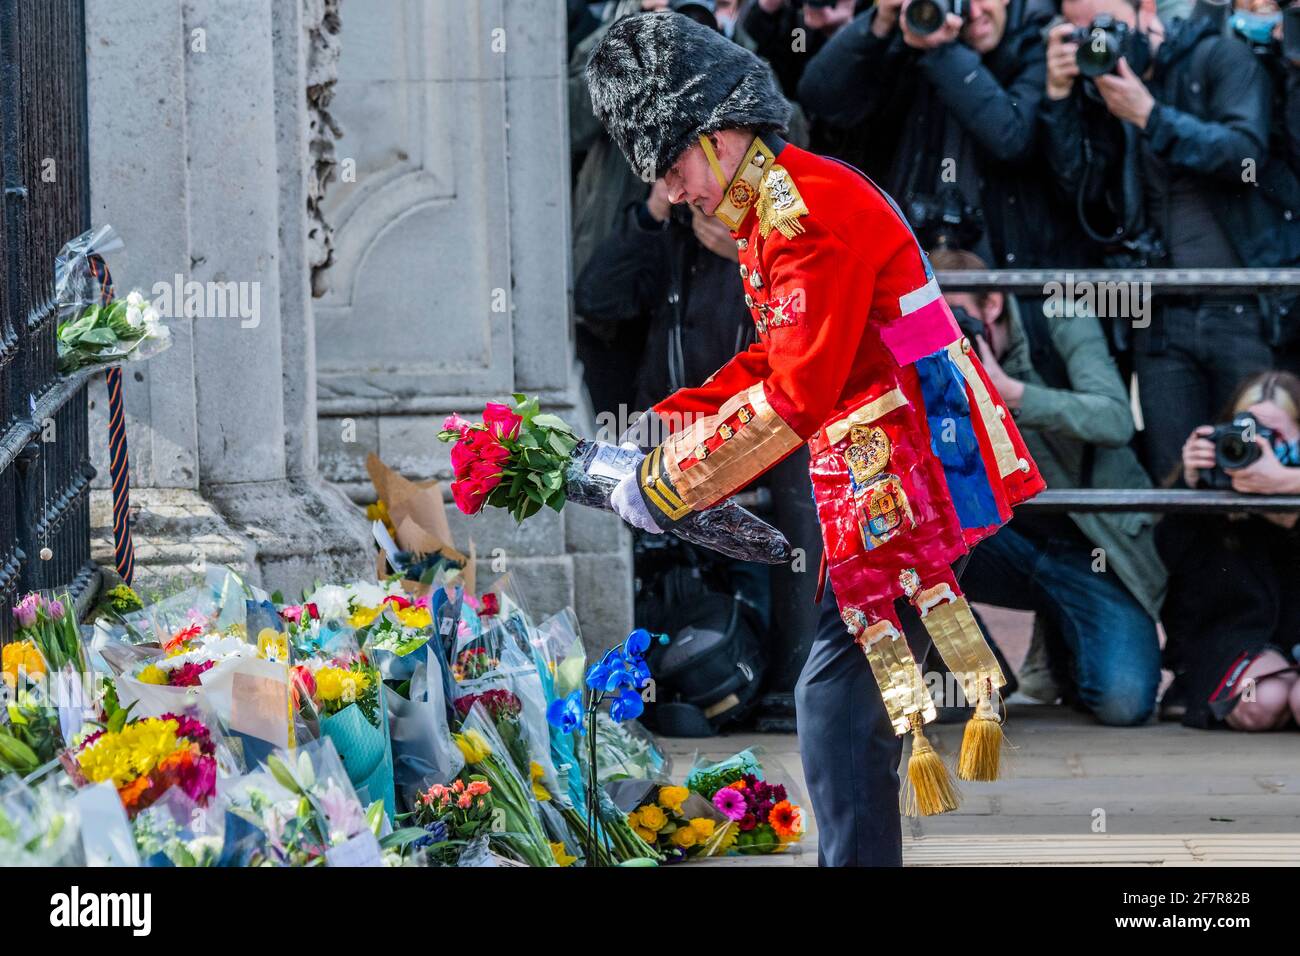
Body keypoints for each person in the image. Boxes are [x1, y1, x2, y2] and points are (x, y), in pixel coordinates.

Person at [584, 10, 1044, 866]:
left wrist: (667, 485)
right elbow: (780, 357)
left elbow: (797, 394)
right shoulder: (784, 200)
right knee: (843, 702)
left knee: (836, 703)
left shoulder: (802, 218)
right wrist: (669, 427)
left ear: (718, 135)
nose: (674, 190)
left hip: (910, 470)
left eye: (675, 164)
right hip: (892, 464)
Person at [1041, 0, 1293, 480]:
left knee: (1255, 471)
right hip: (1156, 315)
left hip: (1239, 307)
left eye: (1104, 23)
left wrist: (1151, 116)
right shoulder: (1101, 89)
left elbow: (1246, 157)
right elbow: (1076, 189)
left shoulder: (1220, 57)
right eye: (1078, 30)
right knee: (1174, 478)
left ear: (1147, 10)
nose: (1093, 39)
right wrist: (1059, 97)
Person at [928, 249, 1165, 726]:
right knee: (907, 529)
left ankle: (1061, 635)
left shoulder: (1060, 316)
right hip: (1002, 539)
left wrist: (1007, 391)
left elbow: (1115, 418)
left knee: (1124, 704)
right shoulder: (929, 354)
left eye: (957, 318)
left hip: (1090, 545)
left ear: (992, 303)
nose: (950, 334)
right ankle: (980, 670)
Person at [796, 0, 1081, 269]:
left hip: (1009, 261)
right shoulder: (912, 34)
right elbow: (817, 96)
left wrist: (941, 51)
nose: (974, 11)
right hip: (911, 256)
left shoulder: (1039, 42)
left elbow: (1011, 138)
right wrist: (878, 22)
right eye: (961, 1)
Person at [1159, 371, 1300, 730]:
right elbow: (1169, 559)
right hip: (1239, 636)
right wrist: (1189, 486)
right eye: (1248, 432)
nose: (1258, 445)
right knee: (1260, 704)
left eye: (1275, 436)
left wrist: (1287, 491)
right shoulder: (1215, 477)